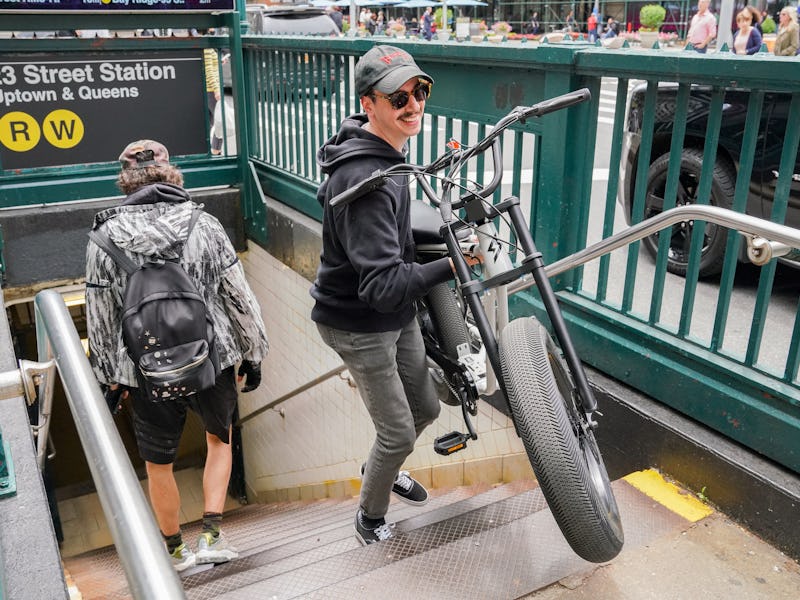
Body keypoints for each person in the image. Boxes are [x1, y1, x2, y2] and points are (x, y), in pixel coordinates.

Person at [85, 140, 269, 571]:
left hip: (142, 369)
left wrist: (109, 378)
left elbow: (101, 317)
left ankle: (174, 551)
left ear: (125, 181)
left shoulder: (103, 237)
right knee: (218, 440)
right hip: (212, 357)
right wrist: (253, 352)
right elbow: (238, 296)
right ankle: (211, 535)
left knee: (158, 464)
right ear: (172, 174)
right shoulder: (204, 225)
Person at [310, 45, 465, 545]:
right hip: (358, 324)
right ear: (369, 103)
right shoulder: (366, 181)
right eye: (398, 97)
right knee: (397, 431)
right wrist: (453, 262)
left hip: (392, 313)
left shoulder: (382, 151)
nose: (413, 105)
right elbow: (379, 286)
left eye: (420, 91)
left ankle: (381, 463)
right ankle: (370, 518)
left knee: (426, 408)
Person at [203, 47, 223, 155]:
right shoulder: (207, 48)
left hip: (209, 90)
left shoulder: (208, 47)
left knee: (209, 121)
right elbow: (208, 71)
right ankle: (216, 150)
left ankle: (205, 149)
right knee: (221, 121)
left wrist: (219, 62)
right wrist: (216, 89)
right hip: (211, 90)